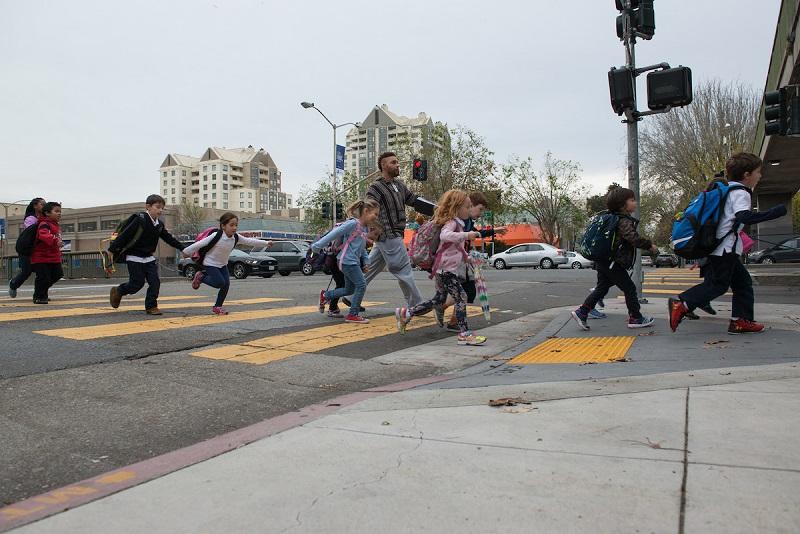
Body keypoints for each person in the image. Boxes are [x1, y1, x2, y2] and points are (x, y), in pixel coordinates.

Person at [669, 153, 788, 334]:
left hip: (720, 248)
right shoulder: (741, 192)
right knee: (719, 285)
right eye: (758, 172)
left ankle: (740, 321)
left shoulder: (725, 190)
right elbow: (744, 216)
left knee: (742, 283)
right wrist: (775, 212)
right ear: (747, 175)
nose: (760, 176)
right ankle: (683, 303)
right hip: (726, 249)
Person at [395, 190, 487, 346]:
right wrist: (467, 235)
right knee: (462, 297)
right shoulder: (452, 222)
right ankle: (464, 334)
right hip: (446, 270)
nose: (469, 209)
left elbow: (457, 248)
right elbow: (445, 236)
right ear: (457, 207)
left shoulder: (459, 223)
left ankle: (407, 313)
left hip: (443, 269)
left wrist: (469, 258)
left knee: (438, 299)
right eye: (467, 206)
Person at [572, 187, 658, 330]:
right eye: (632, 200)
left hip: (603, 261)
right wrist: (650, 246)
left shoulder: (610, 218)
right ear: (622, 205)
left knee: (601, 288)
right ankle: (636, 318)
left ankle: (582, 312)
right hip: (613, 263)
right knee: (629, 288)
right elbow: (633, 238)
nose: (635, 203)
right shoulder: (622, 220)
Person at [362, 152, 424, 307]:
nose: (397, 165)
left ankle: (349, 295)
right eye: (393, 162)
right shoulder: (375, 188)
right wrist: (373, 233)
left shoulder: (399, 185)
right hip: (388, 234)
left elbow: (413, 200)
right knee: (404, 269)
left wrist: (437, 208)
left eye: (397, 162)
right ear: (383, 165)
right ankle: (416, 305)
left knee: (369, 269)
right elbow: (369, 211)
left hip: (391, 236)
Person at [181, 212, 273, 315]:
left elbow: (249, 241)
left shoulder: (236, 237)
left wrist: (265, 243)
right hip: (210, 263)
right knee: (219, 283)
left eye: (236, 225)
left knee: (226, 285)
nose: (234, 228)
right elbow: (200, 244)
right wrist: (186, 252)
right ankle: (201, 277)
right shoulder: (217, 235)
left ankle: (217, 306)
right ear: (223, 226)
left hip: (223, 264)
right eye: (231, 225)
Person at [109, 194, 186, 315]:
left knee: (155, 282)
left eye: (162, 208)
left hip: (149, 258)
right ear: (148, 207)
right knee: (136, 284)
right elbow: (125, 235)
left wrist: (182, 248)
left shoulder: (159, 225)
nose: (160, 210)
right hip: (134, 257)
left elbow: (168, 238)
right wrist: (111, 250)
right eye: (157, 207)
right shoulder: (140, 219)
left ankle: (151, 306)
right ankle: (119, 290)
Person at [313, 199, 380, 324]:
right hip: (347, 261)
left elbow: (361, 249)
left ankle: (325, 296)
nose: (376, 217)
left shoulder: (364, 229)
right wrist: (318, 245)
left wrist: (366, 262)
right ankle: (353, 314)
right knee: (361, 285)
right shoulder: (353, 224)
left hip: (350, 261)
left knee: (349, 290)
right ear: (366, 211)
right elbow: (335, 233)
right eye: (375, 214)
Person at [443, 191, 501, 330]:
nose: (480, 213)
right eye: (479, 209)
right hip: (453, 262)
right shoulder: (459, 221)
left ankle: (454, 321)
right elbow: (449, 236)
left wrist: (494, 231)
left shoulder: (467, 221)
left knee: (466, 292)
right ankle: (438, 310)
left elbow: (476, 233)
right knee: (462, 292)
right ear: (470, 205)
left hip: (461, 260)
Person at [8, 197, 45, 298]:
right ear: (35, 206)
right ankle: (13, 284)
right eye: (42, 204)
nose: (44, 206)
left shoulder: (44, 217)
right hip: (26, 248)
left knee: (43, 271)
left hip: (37, 248)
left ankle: (41, 294)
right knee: (26, 271)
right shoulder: (30, 218)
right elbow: (31, 232)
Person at [30, 202, 64, 304]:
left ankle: (41, 291)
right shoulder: (44, 223)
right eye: (56, 211)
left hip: (54, 256)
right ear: (47, 213)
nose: (59, 214)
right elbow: (43, 235)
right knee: (43, 277)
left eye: (60, 212)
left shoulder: (55, 225)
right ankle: (39, 296)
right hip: (41, 256)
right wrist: (55, 240)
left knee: (58, 274)